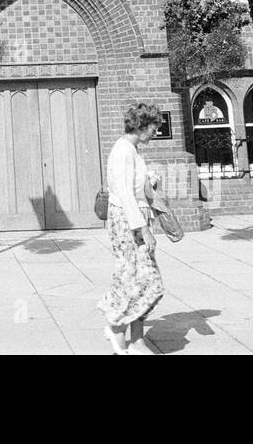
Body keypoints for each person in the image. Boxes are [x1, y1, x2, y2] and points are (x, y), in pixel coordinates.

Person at [98, 102, 165, 355]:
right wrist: (142, 229)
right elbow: (124, 194)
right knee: (141, 278)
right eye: (154, 127)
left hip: (134, 217)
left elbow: (132, 185)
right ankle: (116, 324)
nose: (156, 132)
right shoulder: (123, 150)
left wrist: (149, 180)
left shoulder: (132, 149)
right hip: (128, 220)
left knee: (140, 279)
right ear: (142, 125)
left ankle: (136, 340)